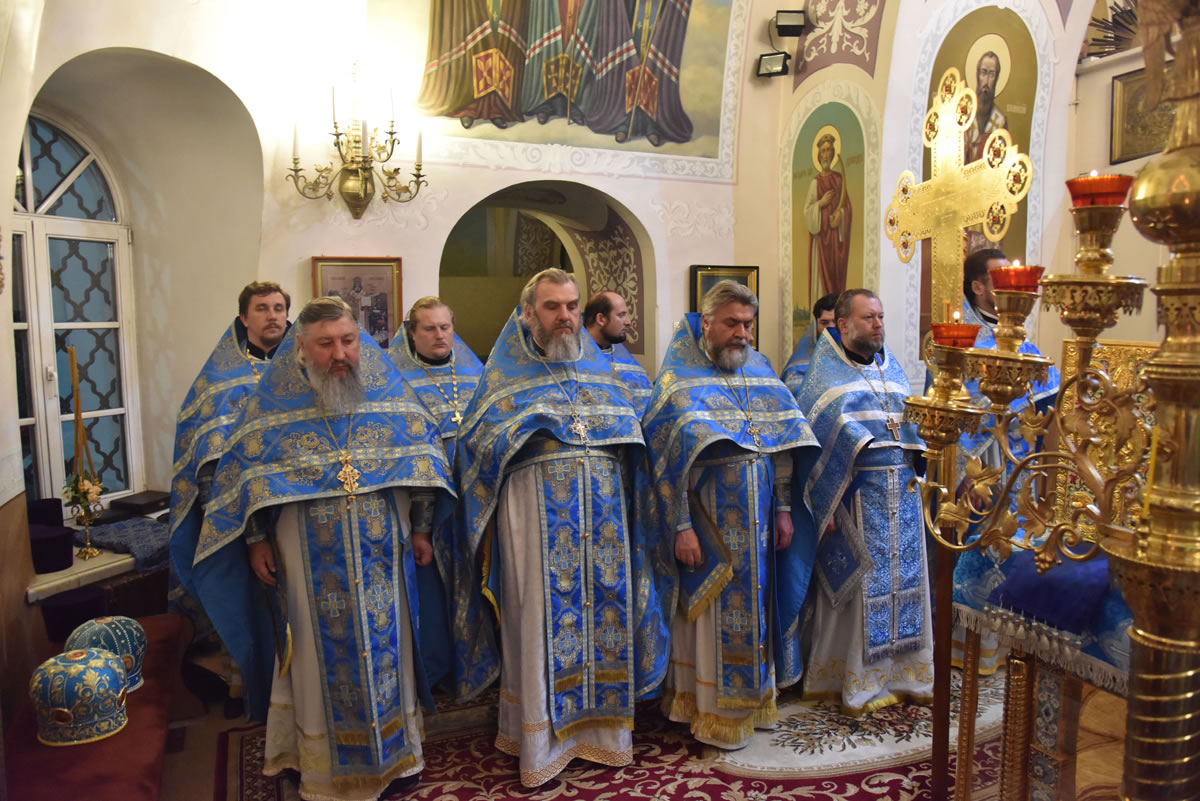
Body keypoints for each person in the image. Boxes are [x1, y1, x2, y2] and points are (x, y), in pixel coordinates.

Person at [189, 296, 454, 801]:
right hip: (304, 550)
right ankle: (321, 766)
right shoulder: (272, 407)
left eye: (348, 341)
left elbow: (424, 458)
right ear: (302, 349)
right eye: (326, 344)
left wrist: (422, 529)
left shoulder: (389, 395)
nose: (339, 354)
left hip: (383, 552)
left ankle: (397, 757)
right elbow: (243, 475)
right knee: (312, 654)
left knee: (389, 648)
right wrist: (255, 539)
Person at [453, 268, 667, 786]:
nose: (565, 317)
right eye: (552, 307)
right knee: (538, 623)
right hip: (533, 524)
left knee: (605, 618)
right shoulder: (503, 378)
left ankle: (604, 736)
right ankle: (539, 742)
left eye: (571, 306)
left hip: (605, 524)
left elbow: (631, 441)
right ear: (528, 312)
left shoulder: (600, 374)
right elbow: (476, 449)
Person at [643, 280, 818, 749]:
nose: (742, 333)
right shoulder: (677, 380)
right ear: (706, 323)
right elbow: (664, 465)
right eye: (732, 323)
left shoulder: (759, 368)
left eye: (748, 324)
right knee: (708, 615)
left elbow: (783, 448)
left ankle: (753, 702)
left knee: (756, 606)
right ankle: (707, 708)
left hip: (760, 515)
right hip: (708, 521)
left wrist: (785, 509)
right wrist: (681, 526)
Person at [792, 289, 933, 714]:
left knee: (906, 584)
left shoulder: (894, 371)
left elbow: (914, 430)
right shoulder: (823, 377)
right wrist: (828, 504)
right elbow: (812, 447)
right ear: (843, 324)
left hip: (903, 495)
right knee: (858, 591)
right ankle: (852, 679)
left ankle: (904, 675)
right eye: (868, 317)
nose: (878, 324)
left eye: (881, 316)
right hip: (855, 498)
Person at [168, 280, 290, 716]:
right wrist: (248, 531)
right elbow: (208, 464)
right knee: (250, 603)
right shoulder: (220, 380)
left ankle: (301, 693)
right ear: (244, 318)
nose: (273, 316)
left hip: (298, 509)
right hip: (242, 515)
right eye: (262, 308)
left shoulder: (303, 369)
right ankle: (251, 689)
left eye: (279, 307)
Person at [951, 248, 1060, 674]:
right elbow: (956, 409)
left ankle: (1007, 649)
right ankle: (968, 648)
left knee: (1015, 552)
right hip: (982, 468)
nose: (1012, 290)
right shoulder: (963, 340)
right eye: (1001, 280)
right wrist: (962, 474)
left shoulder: (1023, 342)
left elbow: (1047, 401)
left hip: (1021, 469)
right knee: (980, 551)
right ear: (978, 286)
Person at [386, 297, 488, 695]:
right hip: (426, 505)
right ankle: (438, 670)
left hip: (476, 501)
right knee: (434, 589)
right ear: (412, 333)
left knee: (479, 582)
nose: (440, 335)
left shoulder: (476, 374)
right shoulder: (395, 381)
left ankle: (483, 665)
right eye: (429, 328)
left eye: (445, 327)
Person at [583, 290, 652, 416]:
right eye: (621, 315)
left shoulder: (628, 363)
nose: (628, 322)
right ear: (601, 319)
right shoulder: (574, 358)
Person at [804, 133, 853, 297]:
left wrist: (841, 215)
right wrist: (820, 203)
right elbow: (807, 211)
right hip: (820, 241)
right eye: (823, 151)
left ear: (833, 154)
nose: (826, 154)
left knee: (836, 277)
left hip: (835, 239)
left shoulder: (839, 179)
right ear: (819, 155)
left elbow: (847, 205)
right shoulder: (815, 183)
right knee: (821, 280)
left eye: (829, 150)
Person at [781, 292, 838, 391]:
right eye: (824, 323)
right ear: (815, 325)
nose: (830, 327)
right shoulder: (799, 367)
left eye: (835, 322)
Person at [966, 51, 1007, 163]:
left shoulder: (1000, 121)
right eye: (983, 73)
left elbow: (1001, 162)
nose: (986, 81)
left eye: (992, 75)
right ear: (977, 75)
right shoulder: (964, 113)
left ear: (996, 79)